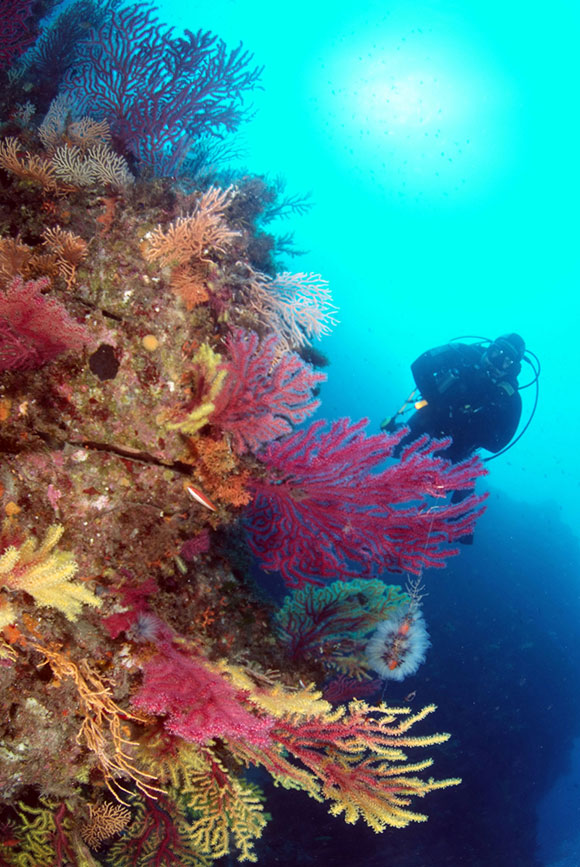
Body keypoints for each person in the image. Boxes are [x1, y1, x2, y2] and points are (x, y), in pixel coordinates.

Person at [382, 334, 526, 464]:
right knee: (395, 450)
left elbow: (498, 443)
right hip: (432, 415)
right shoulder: (463, 354)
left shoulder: (509, 396)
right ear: (489, 348)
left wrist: (469, 424)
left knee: (439, 485)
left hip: (460, 440)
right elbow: (421, 364)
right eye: (497, 353)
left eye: (508, 362)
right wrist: (437, 402)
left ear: (514, 368)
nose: (497, 364)